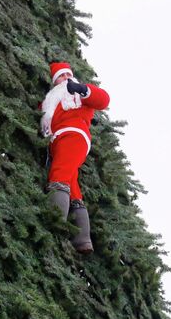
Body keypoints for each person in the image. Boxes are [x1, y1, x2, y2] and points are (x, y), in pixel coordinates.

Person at [40, 62, 110, 254]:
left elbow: (103, 100)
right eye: (61, 76)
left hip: (74, 134)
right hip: (57, 140)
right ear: (55, 82)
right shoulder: (51, 101)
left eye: (68, 75)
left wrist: (82, 89)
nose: (66, 79)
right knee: (73, 186)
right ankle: (82, 239)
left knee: (59, 173)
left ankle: (56, 220)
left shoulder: (78, 94)